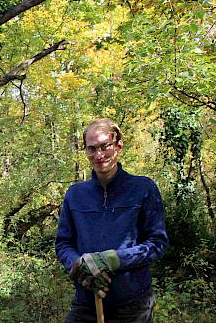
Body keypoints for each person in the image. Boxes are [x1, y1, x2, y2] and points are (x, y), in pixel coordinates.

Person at [55, 118, 168, 323]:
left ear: (118, 146)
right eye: (91, 149)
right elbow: (63, 243)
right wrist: (79, 264)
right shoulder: (75, 194)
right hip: (86, 303)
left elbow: (157, 244)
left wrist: (114, 259)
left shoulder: (143, 189)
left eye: (105, 146)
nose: (99, 155)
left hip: (133, 306)